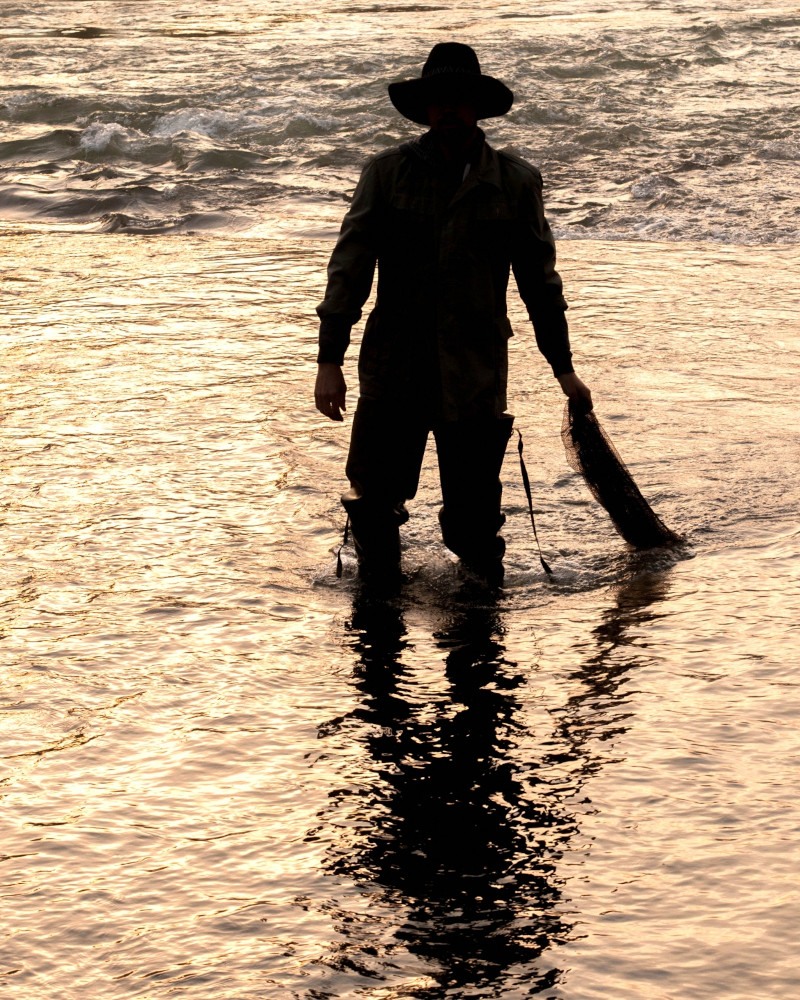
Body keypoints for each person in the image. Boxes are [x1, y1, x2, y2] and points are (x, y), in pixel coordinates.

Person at [315, 42, 592, 586]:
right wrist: (330, 361)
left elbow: (540, 282)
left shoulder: (514, 182)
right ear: (424, 109)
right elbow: (349, 268)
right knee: (373, 508)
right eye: (438, 101)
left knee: (474, 525)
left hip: (475, 373)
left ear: (477, 108)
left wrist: (564, 369)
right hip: (394, 366)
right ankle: (379, 611)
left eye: (459, 100)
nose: (448, 110)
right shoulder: (387, 173)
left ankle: (480, 630)